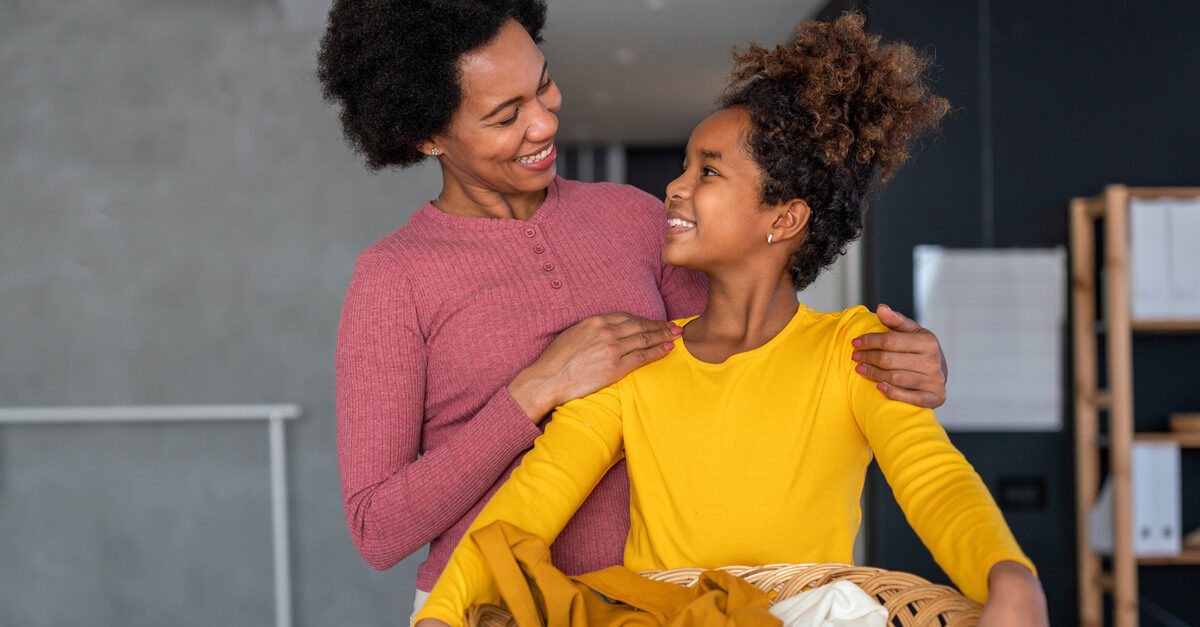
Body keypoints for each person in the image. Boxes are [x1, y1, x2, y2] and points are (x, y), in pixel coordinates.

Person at [317, 0, 951, 618]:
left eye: (543, 87)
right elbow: (378, 530)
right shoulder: (392, 279)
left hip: (645, 607)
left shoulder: (631, 217)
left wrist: (892, 365)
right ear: (426, 135)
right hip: (488, 607)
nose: (543, 123)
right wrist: (534, 390)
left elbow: (748, 359)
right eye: (506, 114)